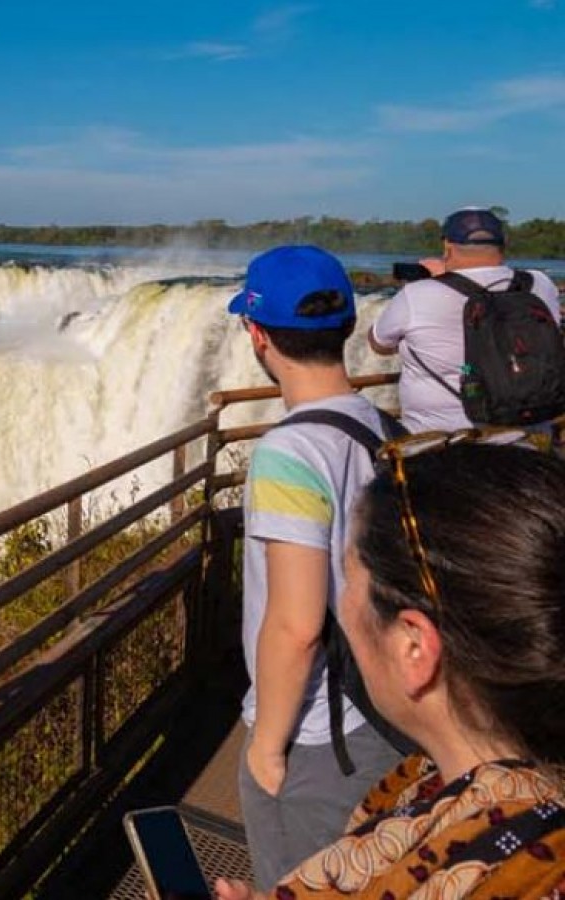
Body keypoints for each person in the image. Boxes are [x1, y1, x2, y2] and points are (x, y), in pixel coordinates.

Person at [215, 440, 565, 899]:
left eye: (350, 579)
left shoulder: (495, 868)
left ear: (413, 646)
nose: (342, 606)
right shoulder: (449, 786)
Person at [227, 246, 405, 892]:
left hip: (314, 737)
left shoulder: (290, 453)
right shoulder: (388, 429)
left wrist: (267, 749)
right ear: (351, 326)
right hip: (382, 715)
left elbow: (296, 623)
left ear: (257, 335)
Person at [369, 207, 561, 431]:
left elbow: (379, 344)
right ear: (503, 244)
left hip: (442, 444)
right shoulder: (539, 284)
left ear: (447, 247)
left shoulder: (418, 294)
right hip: (531, 439)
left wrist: (439, 281)